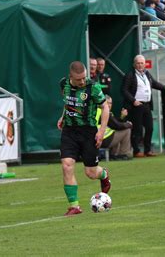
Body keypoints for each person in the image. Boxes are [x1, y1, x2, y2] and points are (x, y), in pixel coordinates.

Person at [57, 61, 111, 216]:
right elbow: (68, 103)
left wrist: (101, 131)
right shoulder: (63, 84)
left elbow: (105, 107)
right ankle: (74, 206)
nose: (82, 81)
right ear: (70, 77)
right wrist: (63, 117)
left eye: (84, 78)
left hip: (88, 132)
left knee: (91, 173)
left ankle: (104, 175)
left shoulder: (92, 87)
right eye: (79, 79)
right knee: (66, 165)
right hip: (69, 131)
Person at [122, 55, 165, 158]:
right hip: (136, 106)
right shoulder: (130, 75)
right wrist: (133, 101)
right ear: (134, 64)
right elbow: (124, 90)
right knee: (137, 129)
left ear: (145, 64)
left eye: (142, 63)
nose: (140, 65)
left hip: (146, 105)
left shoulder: (147, 74)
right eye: (138, 63)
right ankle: (136, 151)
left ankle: (147, 150)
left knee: (150, 128)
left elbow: (154, 84)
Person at [96, 95, 133, 161]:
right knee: (127, 130)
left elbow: (115, 124)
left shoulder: (97, 110)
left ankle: (114, 154)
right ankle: (124, 154)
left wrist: (122, 117)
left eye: (111, 103)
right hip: (102, 140)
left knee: (116, 132)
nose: (109, 105)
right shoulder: (104, 112)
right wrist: (129, 124)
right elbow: (117, 126)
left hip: (99, 139)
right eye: (107, 103)